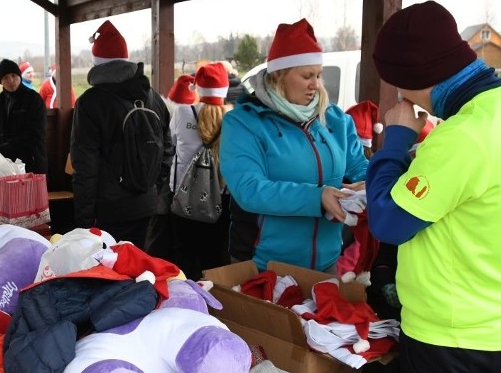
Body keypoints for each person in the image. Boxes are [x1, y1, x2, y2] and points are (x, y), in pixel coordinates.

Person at [367, 0, 501, 373]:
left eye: (400, 87)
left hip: (450, 331)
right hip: (494, 315)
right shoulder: (498, 108)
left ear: (413, 80)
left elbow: (388, 220)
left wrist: (397, 142)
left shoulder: (463, 136)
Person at [220, 18, 368, 273]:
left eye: (318, 75)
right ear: (278, 75)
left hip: (328, 263)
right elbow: (249, 189)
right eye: (307, 76)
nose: (316, 84)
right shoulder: (244, 123)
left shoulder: (334, 119)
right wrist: (316, 196)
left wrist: (369, 184)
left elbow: (360, 167)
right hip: (264, 265)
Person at [70, 20, 173, 247]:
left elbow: (85, 166)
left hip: (109, 210)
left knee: (108, 274)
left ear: (97, 63)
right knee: (139, 270)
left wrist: (84, 223)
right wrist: (152, 188)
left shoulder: (90, 103)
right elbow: (167, 149)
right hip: (146, 206)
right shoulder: (152, 97)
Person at [168, 63, 233, 279]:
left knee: (185, 254)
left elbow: (171, 142)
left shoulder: (183, 112)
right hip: (220, 198)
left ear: (199, 88)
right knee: (215, 255)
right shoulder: (232, 118)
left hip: (183, 196)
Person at [145, 74, 196, 261]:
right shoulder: (194, 119)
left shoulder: (161, 113)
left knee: (157, 235)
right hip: (189, 195)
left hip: (161, 190)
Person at [0, 58, 48, 175]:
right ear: (0, 81)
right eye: (5, 78)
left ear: (19, 76)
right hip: (6, 163)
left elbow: (36, 133)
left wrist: (5, 148)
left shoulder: (33, 99)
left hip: (31, 160)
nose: (11, 80)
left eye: (13, 75)